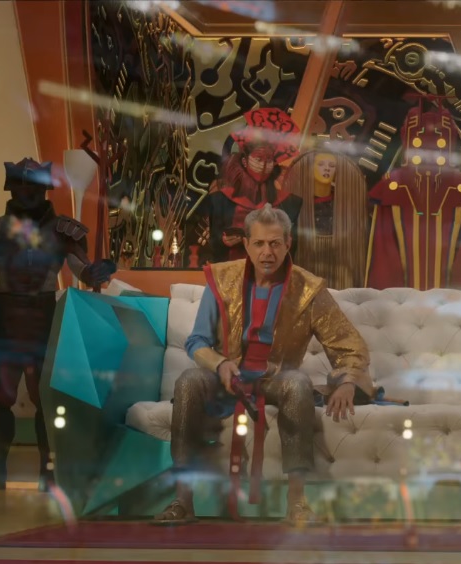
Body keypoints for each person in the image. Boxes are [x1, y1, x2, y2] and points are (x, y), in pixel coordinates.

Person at [154, 205, 372, 526]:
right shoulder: (222, 279)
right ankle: (183, 500)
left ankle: (297, 502)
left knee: (297, 382)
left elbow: (348, 343)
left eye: (274, 243)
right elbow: (196, 341)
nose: (267, 252)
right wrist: (220, 364)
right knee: (188, 381)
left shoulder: (308, 289)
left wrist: (349, 379)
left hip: (276, 378)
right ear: (246, 245)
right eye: (259, 244)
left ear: (288, 244)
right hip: (227, 376)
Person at [0, 159, 115, 491]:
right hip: (5, 320)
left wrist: (96, 272)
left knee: (48, 400)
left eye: (34, 187)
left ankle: (50, 470)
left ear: (45, 190)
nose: (27, 194)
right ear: (11, 189)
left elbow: (83, 270)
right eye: (22, 187)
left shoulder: (62, 230)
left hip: (44, 319)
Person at [365, 96, 461, 290]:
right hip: (403, 299)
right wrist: (394, 298)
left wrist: (458, 297)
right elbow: (385, 253)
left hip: (446, 300)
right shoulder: (392, 187)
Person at [204, 108, 303, 264]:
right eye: (258, 159)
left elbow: (293, 248)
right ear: (245, 160)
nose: (263, 165)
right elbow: (212, 245)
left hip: (272, 272)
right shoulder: (220, 200)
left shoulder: (290, 203)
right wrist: (224, 242)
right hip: (232, 271)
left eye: (268, 160)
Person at [282, 149, 368, 289]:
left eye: (332, 166)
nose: (327, 168)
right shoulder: (295, 203)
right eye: (321, 164)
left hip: (338, 267)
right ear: (310, 169)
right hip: (307, 263)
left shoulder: (344, 206)